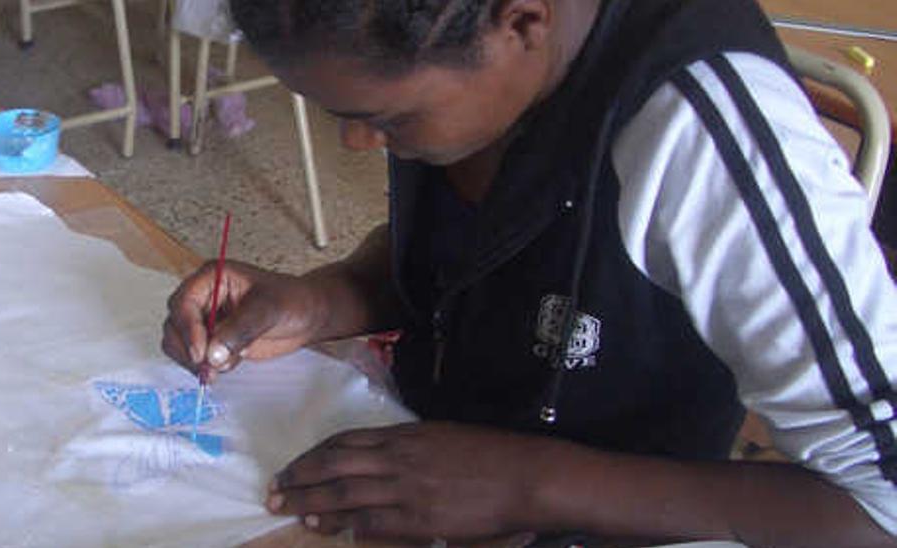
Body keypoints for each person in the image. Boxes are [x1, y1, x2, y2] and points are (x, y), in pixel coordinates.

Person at [160, 0, 897, 545]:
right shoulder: (459, 55)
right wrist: (327, 298)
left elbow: (881, 498)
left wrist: (531, 485)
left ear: (522, 21)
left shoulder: (710, 139)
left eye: (386, 120)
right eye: (338, 115)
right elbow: (482, 251)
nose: (359, 143)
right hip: (435, 448)